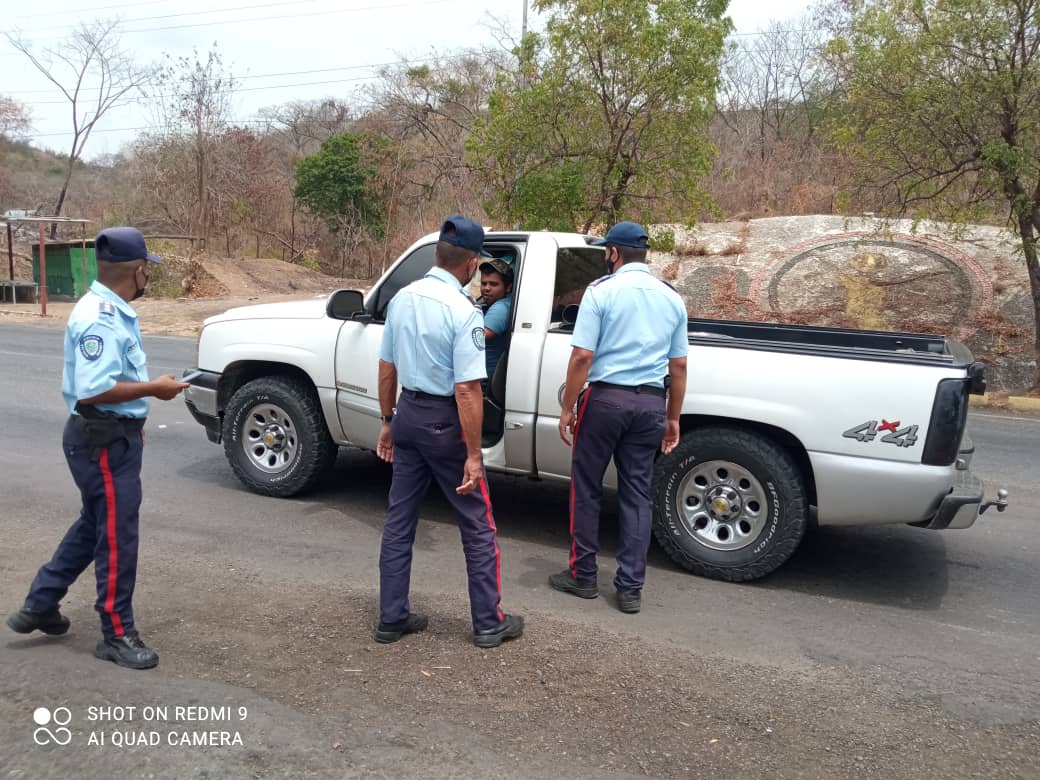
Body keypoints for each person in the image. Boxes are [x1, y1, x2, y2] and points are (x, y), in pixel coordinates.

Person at [6, 227, 189, 669]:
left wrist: (140, 407)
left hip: (109, 437)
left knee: (95, 525)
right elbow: (93, 389)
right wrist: (155, 389)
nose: (148, 277)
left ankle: (40, 602)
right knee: (117, 536)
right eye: (147, 270)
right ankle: (117, 634)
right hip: (103, 441)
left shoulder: (109, 309)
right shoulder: (100, 318)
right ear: (138, 271)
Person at [374, 216, 523, 648]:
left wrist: (388, 421)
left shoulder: (402, 299)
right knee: (477, 523)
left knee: (399, 520)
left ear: (439, 254)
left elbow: (387, 367)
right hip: (444, 423)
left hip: (408, 413)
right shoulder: (464, 312)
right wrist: (474, 455)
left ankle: (391, 618)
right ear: (472, 263)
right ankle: (488, 622)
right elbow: (468, 391)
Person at [549, 221, 688, 614]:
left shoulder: (601, 292)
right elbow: (678, 366)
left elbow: (582, 356)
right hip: (651, 405)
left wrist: (567, 407)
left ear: (612, 253)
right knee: (637, 495)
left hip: (605, 401)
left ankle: (583, 576)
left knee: (587, 488)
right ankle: (630, 589)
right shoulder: (671, 298)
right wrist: (673, 418)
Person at [478, 257, 514, 379]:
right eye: (484, 283)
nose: (487, 288)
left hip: (485, 380)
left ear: (508, 287)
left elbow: (479, 338)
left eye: (493, 284)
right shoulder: (506, 302)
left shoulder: (501, 307)